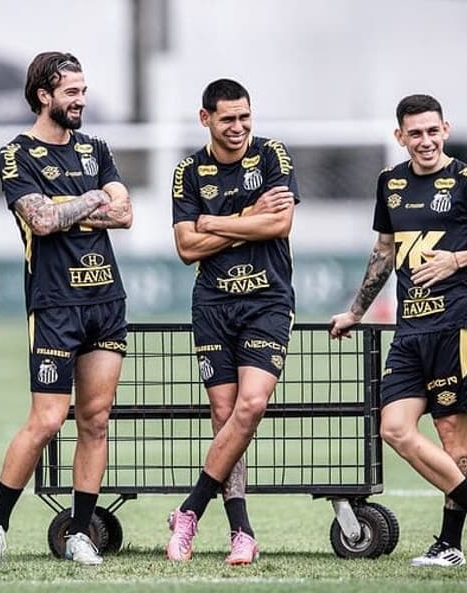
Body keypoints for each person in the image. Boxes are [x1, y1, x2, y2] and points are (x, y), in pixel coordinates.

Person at [329, 94, 467, 568]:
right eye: (415, 133)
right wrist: (356, 311)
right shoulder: (389, 183)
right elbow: (384, 251)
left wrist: (459, 259)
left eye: (433, 131)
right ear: (400, 136)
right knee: (394, 428)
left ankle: (450, 545)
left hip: (455, 322)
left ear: (445, 129)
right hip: (409, 327)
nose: (426, 140)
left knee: (451, 431)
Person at [0, 51, 132, 568]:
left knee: (96, 421)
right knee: (46, 420)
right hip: (55, 304)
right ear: (44, 95)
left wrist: (69, 209)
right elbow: (39, 222)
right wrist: (91, 200)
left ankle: (80, 532)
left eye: (83, 91)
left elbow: (125, 213)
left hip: (105, 300)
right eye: (71, 92)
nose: (81, 100)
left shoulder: (96, 149)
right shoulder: (15, 155)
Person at [166, 78, 298, 564]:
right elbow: (186, 247)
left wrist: (215, 222)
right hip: (213, 305)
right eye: (228, 119)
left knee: (252, 405)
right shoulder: (188, 172)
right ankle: (242, 531)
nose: (239, 127)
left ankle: (190, 509)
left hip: (267, 302)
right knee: (224, 416)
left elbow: (279, 224)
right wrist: (248, 217)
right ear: (206, 119)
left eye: (245, 116)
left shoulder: (271, 156)